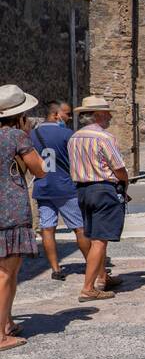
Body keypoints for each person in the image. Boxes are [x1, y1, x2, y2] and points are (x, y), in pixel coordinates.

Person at [67, 96, 129, 301]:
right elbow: (118, 168)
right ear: (98, 114)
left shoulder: (74, 138)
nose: (110, 116)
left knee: (94, 235)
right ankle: (88, 287)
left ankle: (103, 276)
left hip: (82, 190)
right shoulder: (104, 138)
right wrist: (124, 184)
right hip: (103, 188)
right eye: (107, 112)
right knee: (100, 240)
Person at [0, 86, 46, 350]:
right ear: (19, 116)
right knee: (7, 272)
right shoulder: (17, 136)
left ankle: (6, 321)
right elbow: (39, 170)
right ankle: (1, 334)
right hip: (10, 209)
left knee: (7, 272)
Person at [29, 101, 91, 281]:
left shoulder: (33, 134)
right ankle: (93, 264)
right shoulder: (67, 134)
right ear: (56, 114)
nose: (69, 118)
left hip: (42, 187)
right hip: (65, 187)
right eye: (67, 114)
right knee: (79, 228)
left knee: (47, 229)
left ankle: (56, 269)